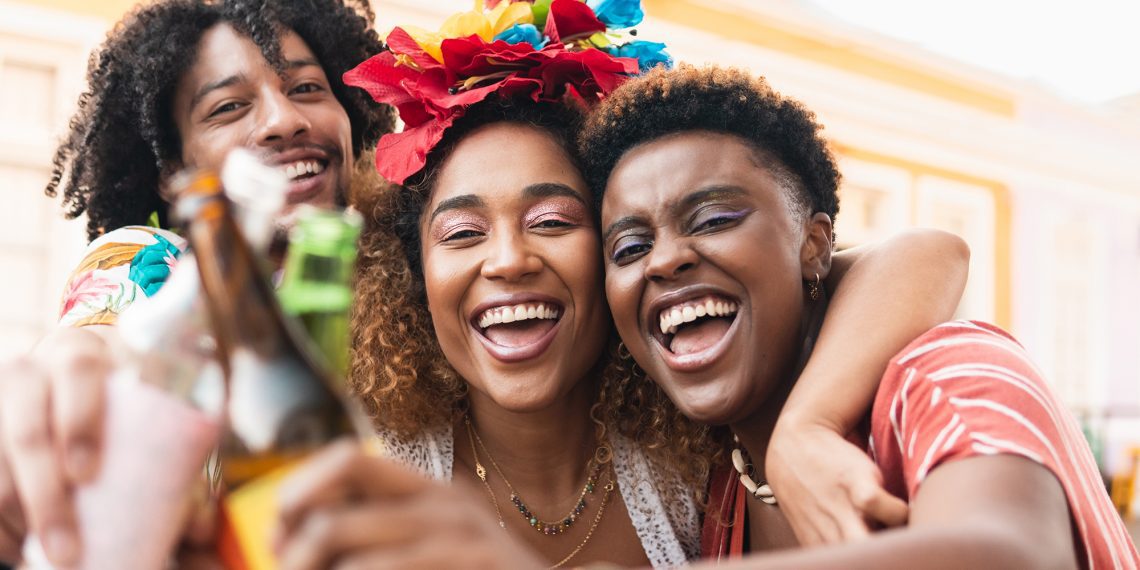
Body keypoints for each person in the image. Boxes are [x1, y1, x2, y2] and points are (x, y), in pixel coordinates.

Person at [268, 2, 969, 567]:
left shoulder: (698, 453)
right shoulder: (364, 467)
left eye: (551, 220)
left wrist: (802, 430)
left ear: (615, 253)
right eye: (462, 234)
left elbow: (925, 254)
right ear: (412, 279)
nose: (508, 259)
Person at [580, 63, 1140, 567]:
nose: (666, 259)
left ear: (816, 244)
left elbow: (1016, 555)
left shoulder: (944, 375)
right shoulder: (722, 484)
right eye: (629, 249)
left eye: (713, 219)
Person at [0, 0, 394, 566]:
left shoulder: (420, 263)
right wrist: (55, 393)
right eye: (229, 107)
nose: (284, 120)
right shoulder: (158, 265)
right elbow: (95, 339)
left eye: (307, 88)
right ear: (173, 173)